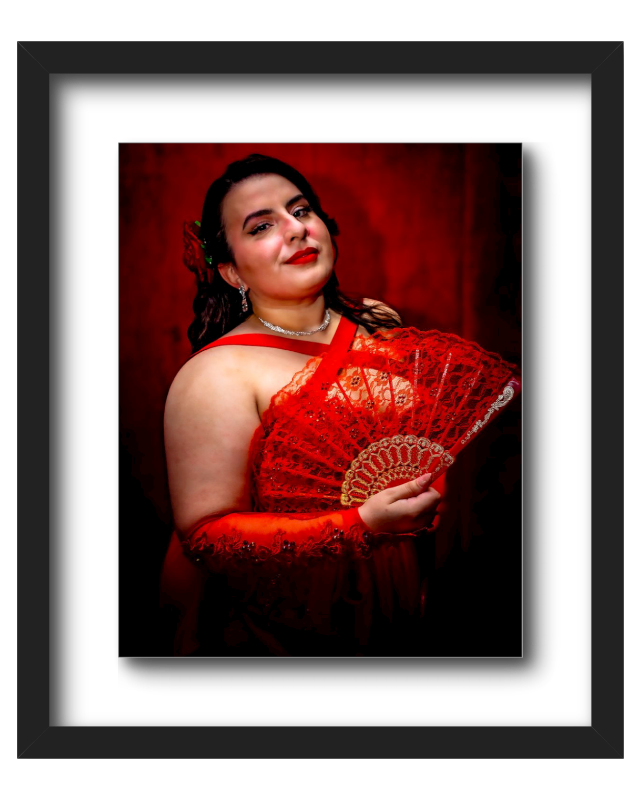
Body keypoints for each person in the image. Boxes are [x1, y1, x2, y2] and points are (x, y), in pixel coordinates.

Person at [159, 153, 520, 657]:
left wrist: (420, 489)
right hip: (286, 622)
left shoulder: (376, 320)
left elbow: (413, 437)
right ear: (231, 271)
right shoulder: (215, 375)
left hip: (396, 587)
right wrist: (360, 526)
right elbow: (205, 537)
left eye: (300, 210)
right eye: (262, 226)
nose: (295, 229)